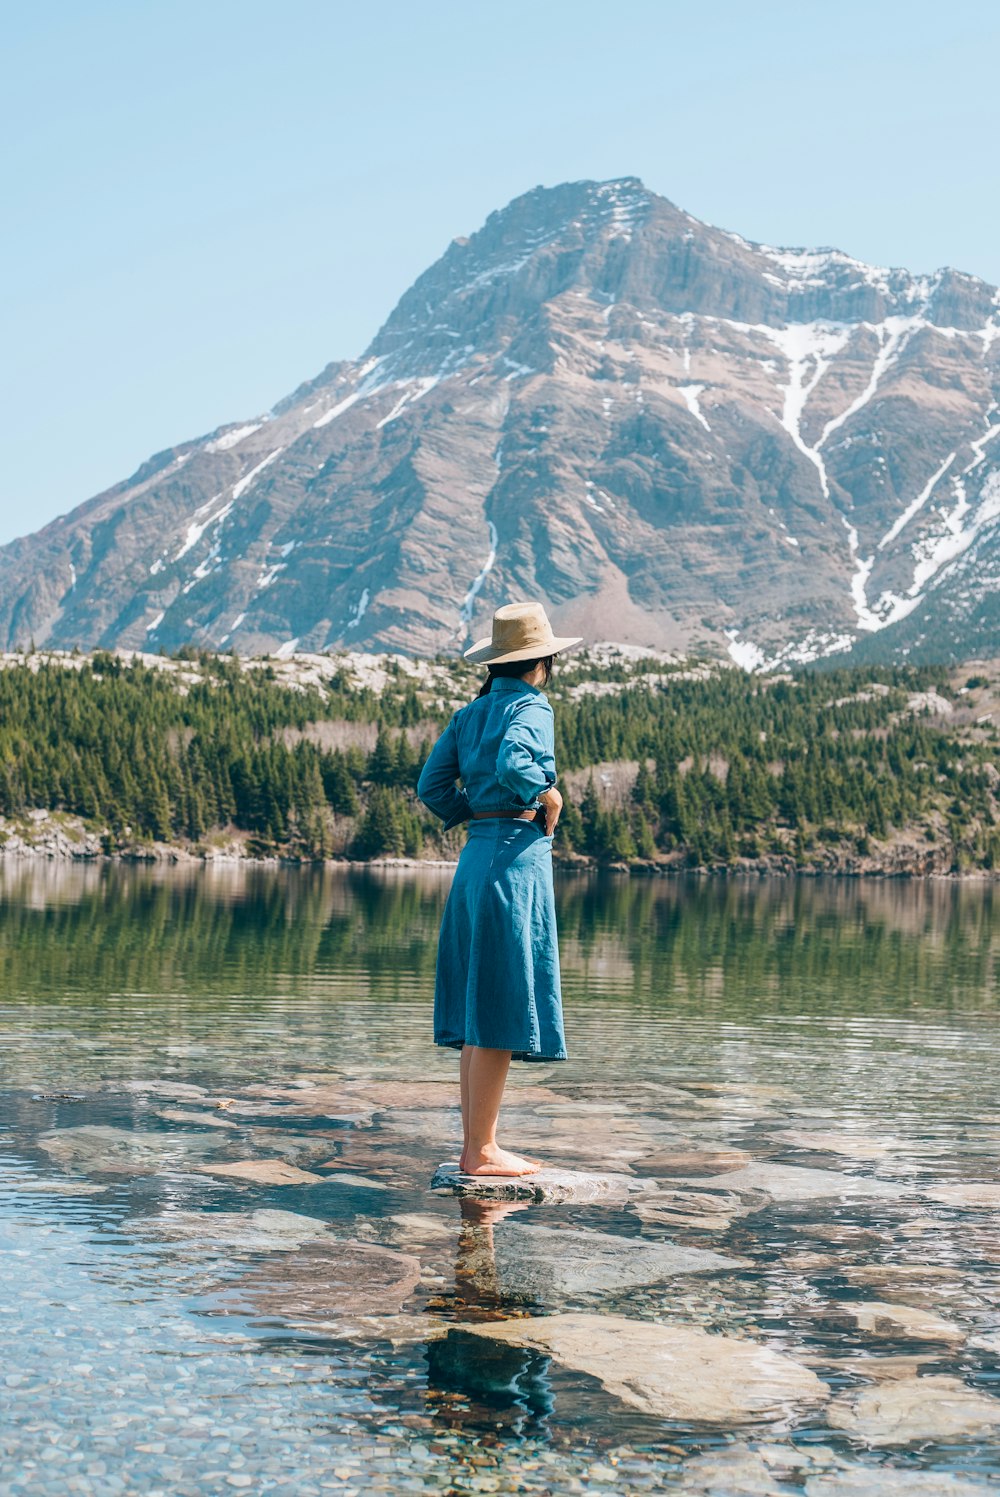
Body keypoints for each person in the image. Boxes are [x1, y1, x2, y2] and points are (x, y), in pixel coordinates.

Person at [416, 601, 581, 1177]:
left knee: (479, 1006)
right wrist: (547, 793)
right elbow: (516, 761)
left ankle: (476, 1146)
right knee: (497, 1001)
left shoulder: (469, 714)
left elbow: (431, 786)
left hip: (476, 858)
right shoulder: (533, 705)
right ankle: (481, 1151)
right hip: (514, 862)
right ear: (543, 662)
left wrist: (476, 812)